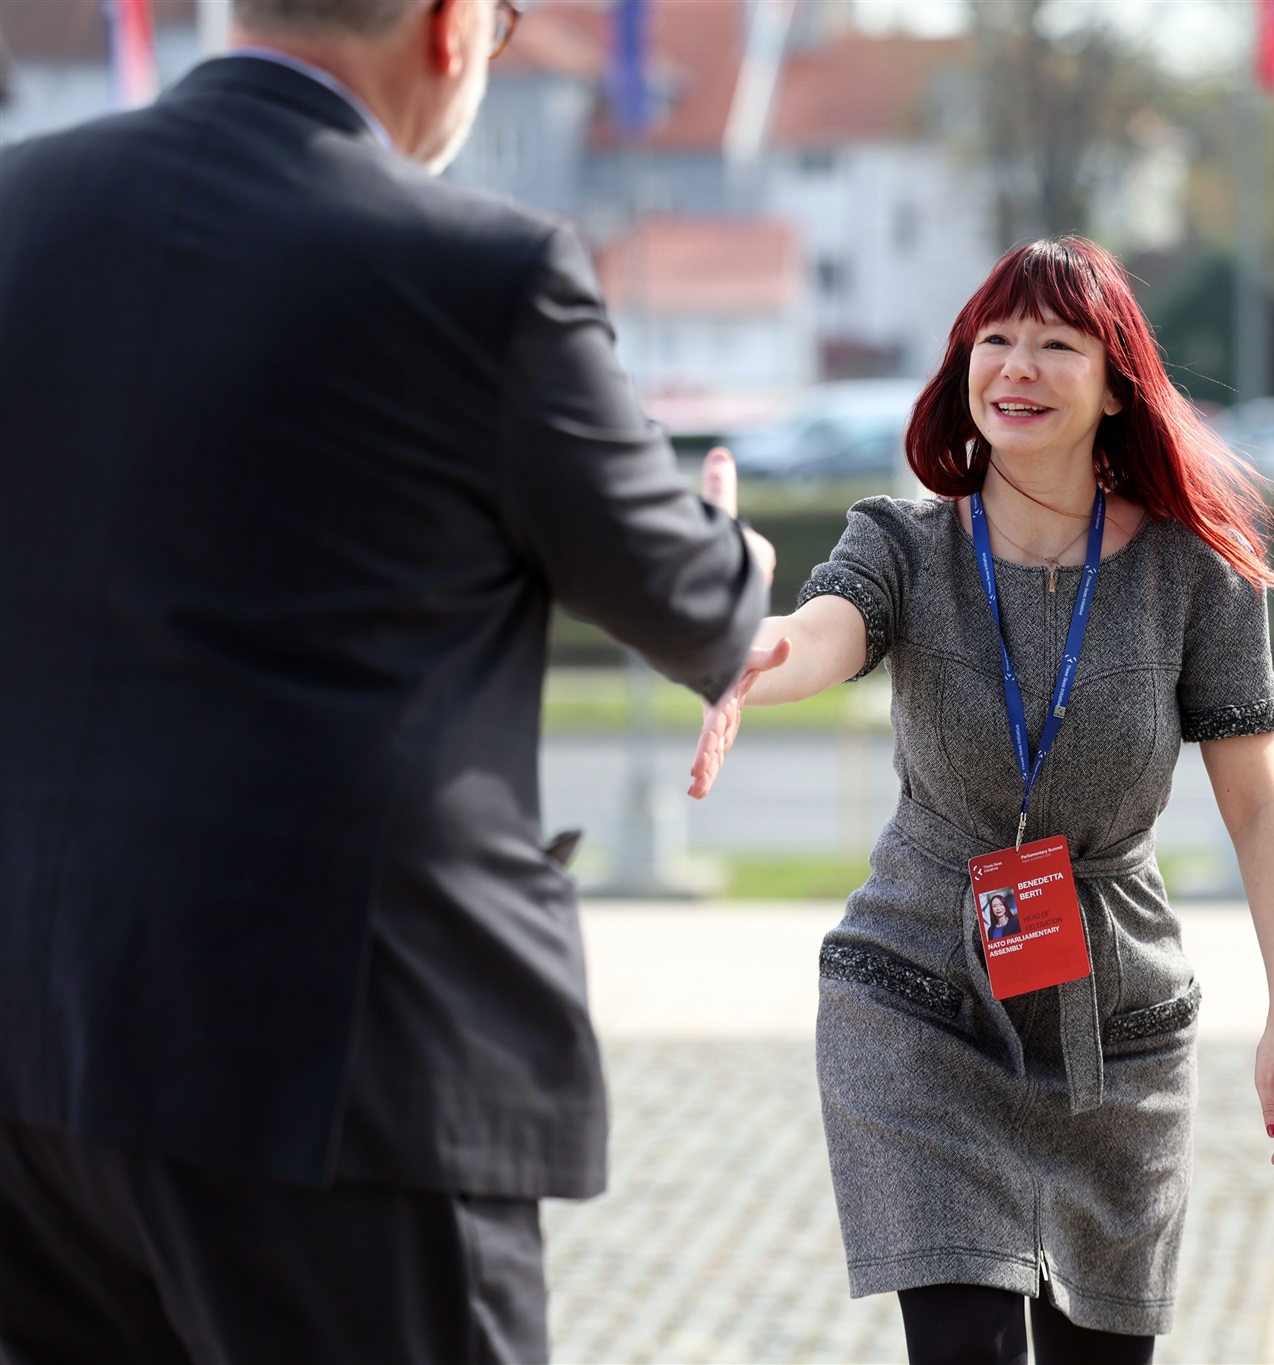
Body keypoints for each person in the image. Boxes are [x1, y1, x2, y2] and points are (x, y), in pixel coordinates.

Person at [0, 1, 770, 1361]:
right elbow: (687, 599)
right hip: (336, 1069)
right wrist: (733, 540)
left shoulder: (21, 204)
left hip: (36, 1060)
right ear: (452, 28)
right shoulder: (483, 270)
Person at [691, 236, 1274, 1365]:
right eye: (995, 339)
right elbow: (822, 634)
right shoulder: (902, 543)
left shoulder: (1195, 572)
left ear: (1116, 384)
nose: (1017, 367)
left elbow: (1258, 809)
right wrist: (746, 650)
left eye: (1055, 344)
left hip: (1117, 1034)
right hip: (918, 1005)